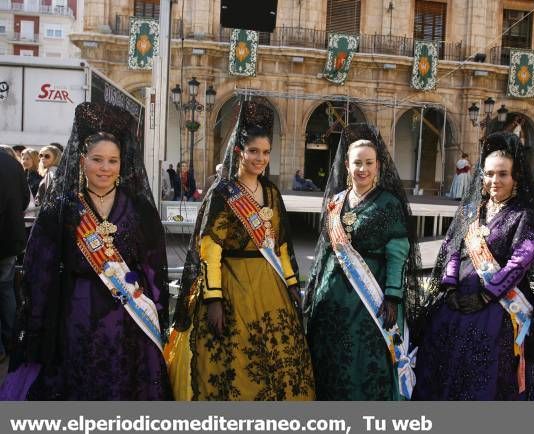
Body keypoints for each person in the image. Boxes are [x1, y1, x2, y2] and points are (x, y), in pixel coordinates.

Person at [0, 102, 172, 400]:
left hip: (128, 319)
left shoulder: (139, 209)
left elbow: (153, 266)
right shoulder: (61, 209)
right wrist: (40, 323)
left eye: (113, 161)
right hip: (73, 317)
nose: (105, 168)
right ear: (82, 161)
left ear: (123, 163)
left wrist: (155, 309)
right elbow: (39, 272)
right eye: (97, 159)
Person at [165, 100, 315, 401]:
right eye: (254, 151)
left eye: (266, 152)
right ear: (239, 153)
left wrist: (291, 284)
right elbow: (210, 249)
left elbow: (281, 244)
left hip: (270, 283)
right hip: (232, 283)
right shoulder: (223, 193)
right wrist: (214, 298)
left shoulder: (271, 192)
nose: (260, 158)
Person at [413, 131, 534, 401]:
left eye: (503, 174)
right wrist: (449, 286)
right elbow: (452, 247)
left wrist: (486, 294)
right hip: (457, 301)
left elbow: (521, 260)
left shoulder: (524, 215)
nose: (495, 180)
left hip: (499, 309)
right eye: (490, 174)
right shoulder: (472, 210)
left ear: (516, 177)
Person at [304, 123, 422, 401]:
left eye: (369, 163)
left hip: (370, 299)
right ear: (347, 164)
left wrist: (393, 295)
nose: (363, 169)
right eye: (357, 163)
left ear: (378, 165)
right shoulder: (336, 201)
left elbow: (397, 251)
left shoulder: (389, 203)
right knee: (329, 357)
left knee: (362, 360)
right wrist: (314, 289)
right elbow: (324, 250)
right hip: (332, 298)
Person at [0, 151, 29, 365]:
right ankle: (12, 340)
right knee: (6, 290)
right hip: (10, 239)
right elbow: (25, 199)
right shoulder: (12, 162)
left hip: (9, 238)